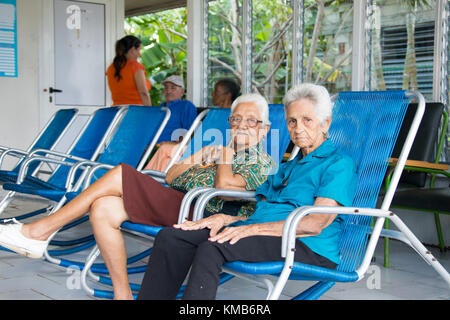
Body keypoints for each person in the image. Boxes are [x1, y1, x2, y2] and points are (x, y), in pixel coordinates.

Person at [0, 93, 275, 300]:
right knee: (104, 208)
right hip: (175, 198)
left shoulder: (260, 160)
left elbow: (226, 185)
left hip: (198, 213)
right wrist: (202, 155)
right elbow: (170, 175)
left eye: (251, 121)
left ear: (264, 129)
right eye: (236, 119)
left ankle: (40, 230)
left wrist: (223, 156)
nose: (241, 126)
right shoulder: (219, 152)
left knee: (121, 173)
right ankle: (123, 295)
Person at [136, 83, 358, 300]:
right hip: (264, 231)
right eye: (292, 121)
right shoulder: (287, 167)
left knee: (212, 248)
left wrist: (253, 229)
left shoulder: (338, 164)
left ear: (325, 123)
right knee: (173, 237)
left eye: (307, 120)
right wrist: (225, 218)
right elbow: (259, 209)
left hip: (306, 245)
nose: (298, 128)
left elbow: (314, 223)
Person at [144, 78, 240, 171]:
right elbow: (195, 135)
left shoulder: (232, 116)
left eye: (216, 91)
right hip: (196, 150)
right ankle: (148, 182)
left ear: (227, 95)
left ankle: (143, 180)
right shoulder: (213, 114)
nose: (212, 94)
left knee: (165, 149)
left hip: (209, 154)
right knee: (166, 159)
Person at [106, 35, 152, 106]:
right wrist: (150, 112)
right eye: (139, 49)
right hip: (135, 110)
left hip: (117, 111)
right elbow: (143, 93)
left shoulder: (111, 68)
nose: (140, 54)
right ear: (133, 49)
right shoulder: (135, 66)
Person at [156, 75, 197, 144]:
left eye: (173, 88)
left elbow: (191, 132)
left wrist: (173, 144)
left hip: (168, 148)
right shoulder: (161, 107)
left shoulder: (186, 106)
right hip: (149, 146)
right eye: (166, 88)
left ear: (182, 92)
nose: (168, 91)